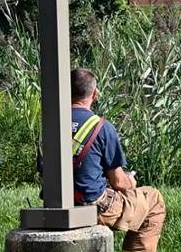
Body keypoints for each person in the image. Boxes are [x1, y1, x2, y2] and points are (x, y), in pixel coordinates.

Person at [71, 67, 165, 252]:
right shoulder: (100, 126)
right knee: (153, 200)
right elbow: (118, 182)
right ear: (95, 93)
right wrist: (130, 181)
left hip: (56, 205)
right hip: (92, 205)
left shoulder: (51, 124)